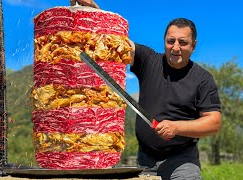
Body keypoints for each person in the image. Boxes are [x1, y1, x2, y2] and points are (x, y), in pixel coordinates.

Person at [71, 1, 222, 179]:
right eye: (170, 41)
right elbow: (115, 41)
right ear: (164, 40)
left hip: (182, 160)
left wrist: (176, 127)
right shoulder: (149, 60)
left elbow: (214, 122)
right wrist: (94, 15)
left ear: (193, 46)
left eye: (183, 42)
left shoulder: (203, 79)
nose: (175, 48)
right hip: (144, 159)